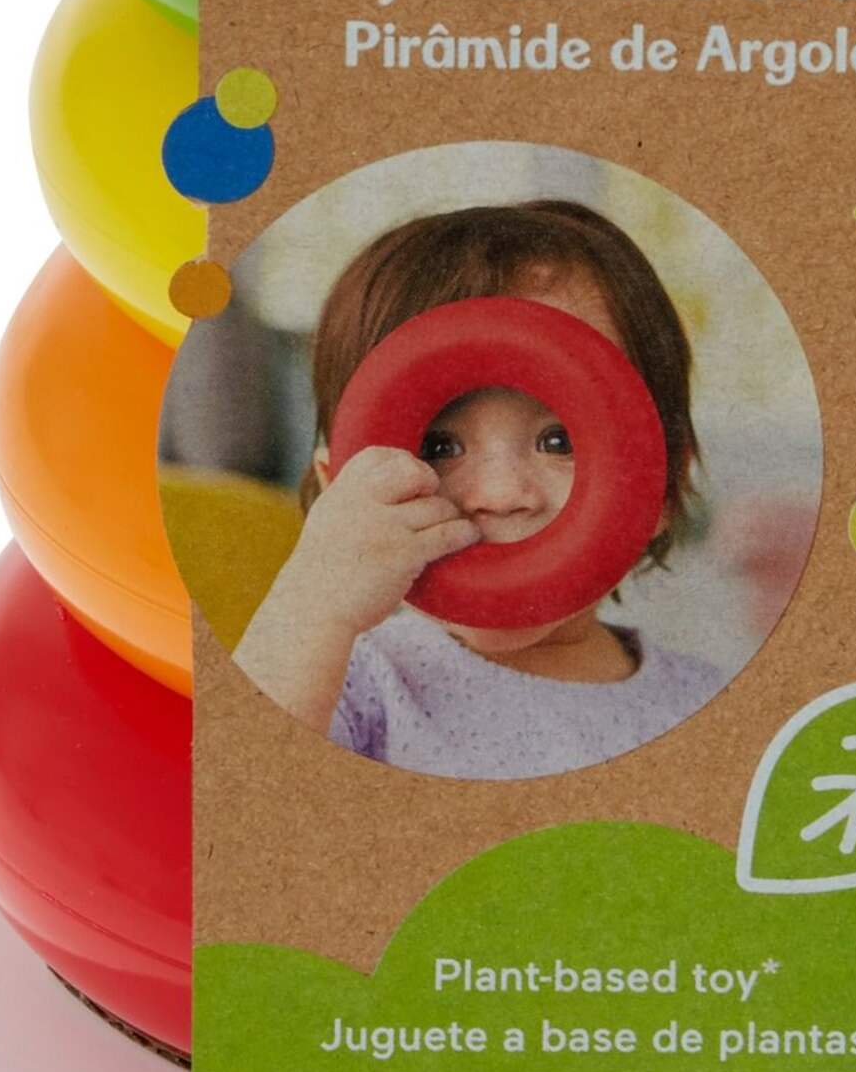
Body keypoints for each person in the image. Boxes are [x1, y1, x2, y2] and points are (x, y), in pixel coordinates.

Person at [232, 199, 724, 778]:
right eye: (439, 447)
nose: (501, 494)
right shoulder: (353, 682)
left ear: (662, 487)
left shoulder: (705, 702)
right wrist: (314, 607)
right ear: (336, 493)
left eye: (558, 441)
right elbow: (237, 788)